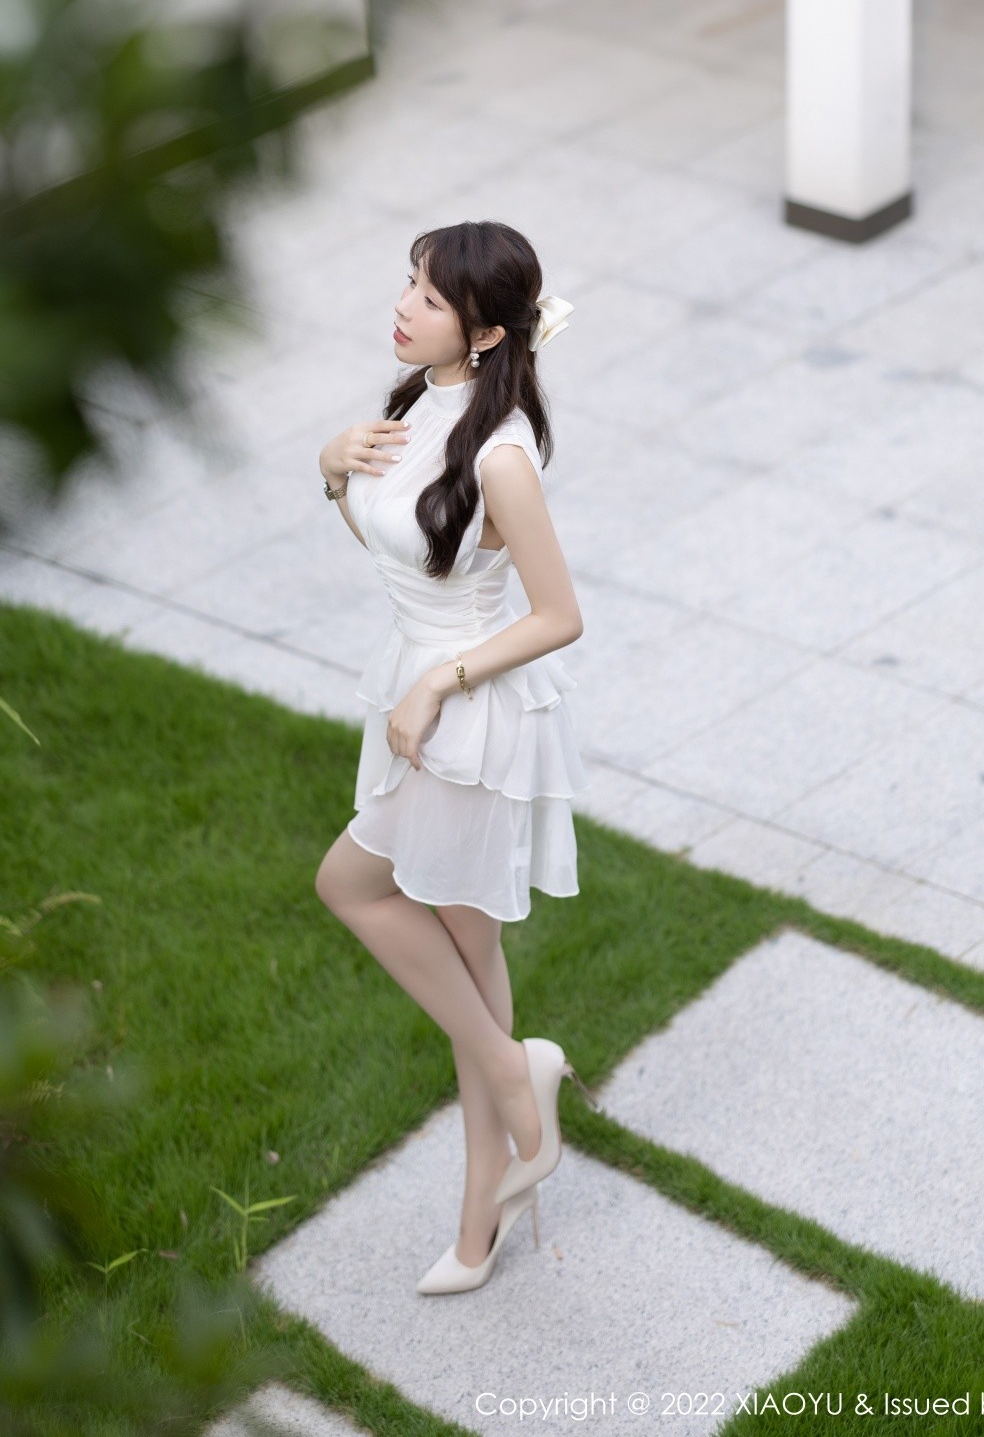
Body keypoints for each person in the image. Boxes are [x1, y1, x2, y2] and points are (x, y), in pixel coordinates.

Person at [314, 219, 597, 1297]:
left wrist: (440, 682)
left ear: (480, 332)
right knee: (470, 961)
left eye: (426, 298)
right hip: (414, 692)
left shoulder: (502, 452)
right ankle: (484, 1219)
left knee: (353, 885)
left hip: (463, 717)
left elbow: (560, 614)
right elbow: (401, 555)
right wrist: (333, 473)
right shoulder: (418, 404)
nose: (402, 306)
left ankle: (516, 1080)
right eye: (407, 285)